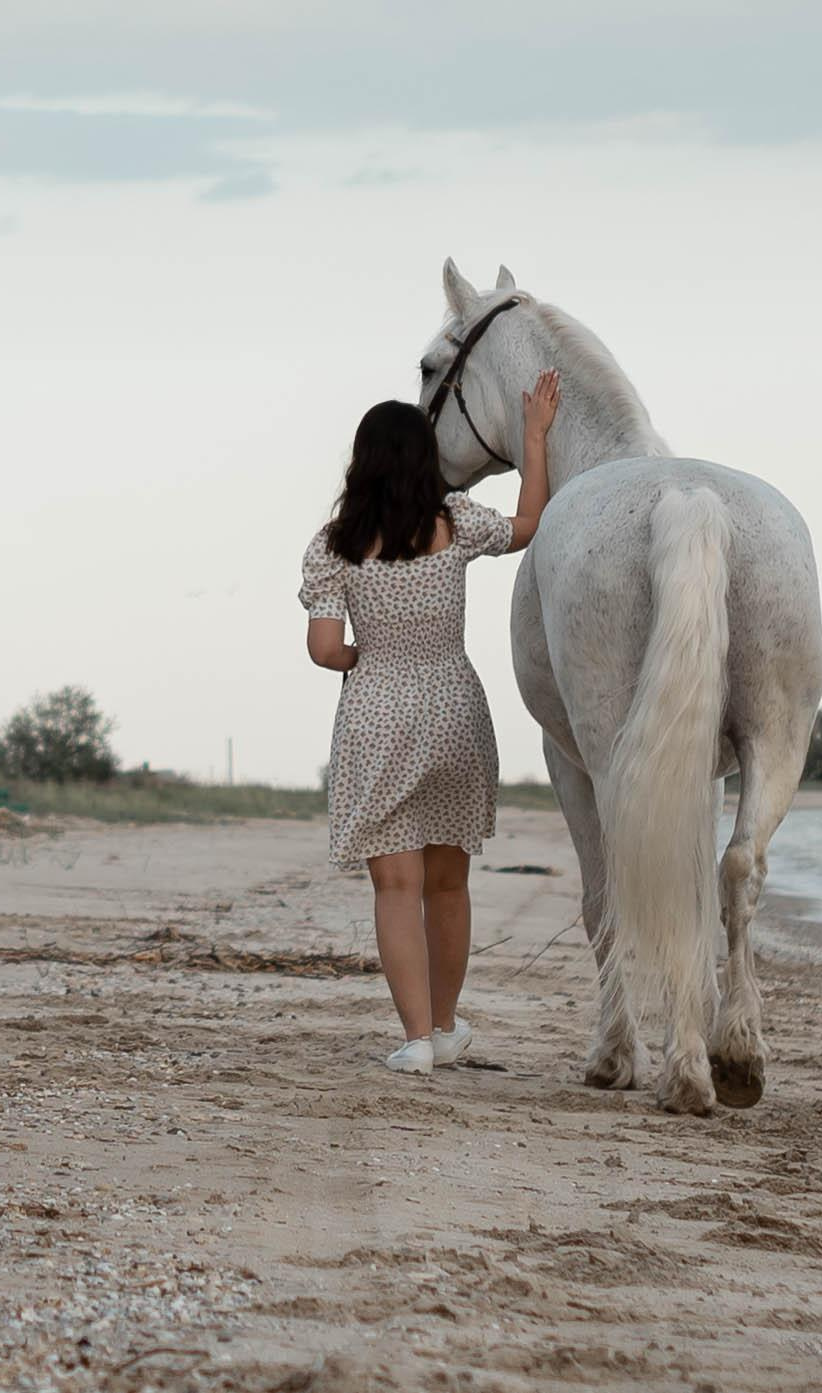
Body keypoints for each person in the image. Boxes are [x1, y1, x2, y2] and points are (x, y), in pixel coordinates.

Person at [298, 369, 559, 1073]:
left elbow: (325, 650)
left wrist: (361, 654)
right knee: (450, 884)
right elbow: (530, 523)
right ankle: (445, 1025)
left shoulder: (334, 545)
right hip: (453, 708)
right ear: (425, 459)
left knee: (396, 888)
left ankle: (414, 1038)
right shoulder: (455, 521)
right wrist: (533, 437)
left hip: (379, 712)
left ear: (362, 461)